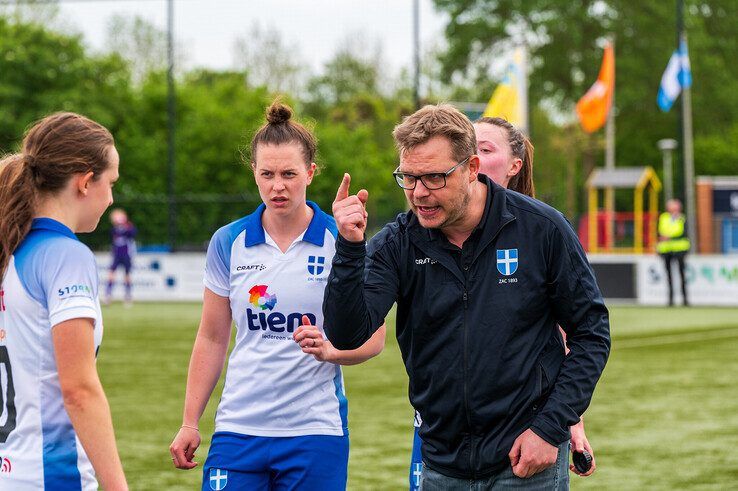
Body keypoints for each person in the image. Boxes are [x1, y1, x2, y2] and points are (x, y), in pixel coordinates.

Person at [324, 104, 610, 489]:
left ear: (471, 168)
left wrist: (550, 427)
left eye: (434, 178)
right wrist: (349, 247)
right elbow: (347, 334)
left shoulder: (541, 228)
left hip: (527, 461)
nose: (419, 193)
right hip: (441, 464)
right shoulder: (398, 241)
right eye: (408, 178)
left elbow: (591, 333)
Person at [168, 101, 384, 490]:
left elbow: (375, 338)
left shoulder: (342, 240)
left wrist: (331, 351)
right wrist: (189, 421)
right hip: (238, 428)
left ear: (311, 173)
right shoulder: (228, 241)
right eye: (266, 173)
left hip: (316, 431)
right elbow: (212, 337)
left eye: (289, 173)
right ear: (254, 172)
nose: (277, 185)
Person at [406, 117, 596, 489]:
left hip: (527, 439)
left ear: (514, 166)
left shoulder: (541, 228)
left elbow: (571, 335)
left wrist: (563, 421)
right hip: (445, 447)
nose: (471, 156)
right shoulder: (421, 232)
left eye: (483, 149)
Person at [0, 112, 127, 490]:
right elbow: (79, 390)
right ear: (86, 181)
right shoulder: (65, 256)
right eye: (111, 182)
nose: (112, 197)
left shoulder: (9, 252)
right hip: (50, 476)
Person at [657, 198, 690, 306]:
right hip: (667, 250)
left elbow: (683, 233)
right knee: (669, 276)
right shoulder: (664, 217)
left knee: (682, 275)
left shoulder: (682, 218)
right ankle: (670, 300)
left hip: (680, 250)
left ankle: (685, 300)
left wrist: (669, 237)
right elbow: (660, 231)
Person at [105, 208, 136, 306]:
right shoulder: (114, 230)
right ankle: (108, 295)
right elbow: (113, 236)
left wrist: (125, 225)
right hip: (116, 255)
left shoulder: (129, 228)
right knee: (111, 274)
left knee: (127, 275)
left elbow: (132, 233)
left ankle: (128, 296)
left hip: (126, 255)